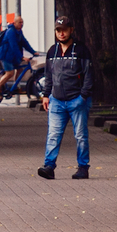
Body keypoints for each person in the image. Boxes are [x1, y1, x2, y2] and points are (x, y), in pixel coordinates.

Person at [40, 13, 96, 180]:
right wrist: (46, 95)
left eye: (64, 30)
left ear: (71, 30)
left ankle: (83, 167)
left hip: (77, 100)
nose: (61, 33)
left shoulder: (81, 50)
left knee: (80, 135)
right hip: (57, 100)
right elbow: (48, 75)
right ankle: (49, 167)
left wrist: (83, 97)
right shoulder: (52, 51)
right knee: (53, 135)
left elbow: (88, 75)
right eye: (58, 30)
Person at [0, 15, 38, 103]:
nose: (21, 24)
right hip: (6, 55)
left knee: (20, 69)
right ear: (14, 23)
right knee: (10, 73)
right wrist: (22, 57)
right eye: (19, 22)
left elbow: (24, 43)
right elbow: (13, 46)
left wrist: (33, 52)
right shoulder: (11, 32)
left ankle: (16, 87)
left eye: (22, 22)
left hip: (13, 56)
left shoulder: (19, 31)